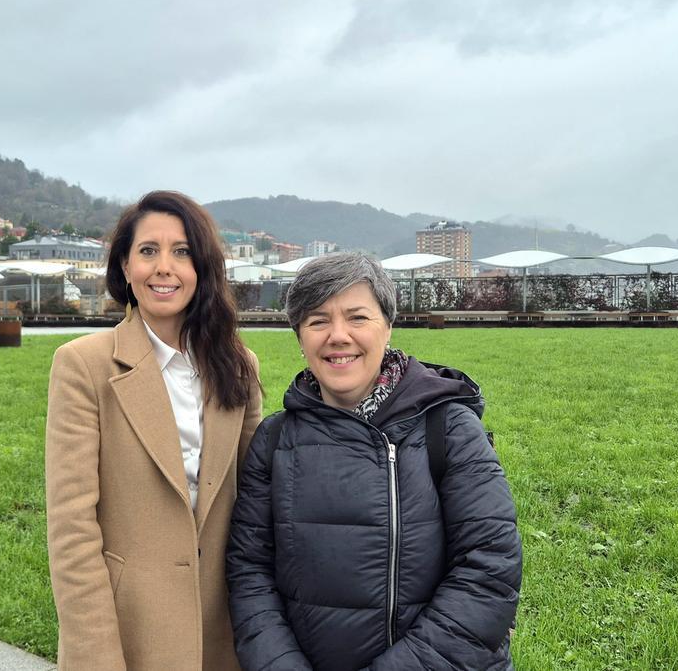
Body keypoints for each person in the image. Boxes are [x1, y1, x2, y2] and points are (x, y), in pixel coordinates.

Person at [226, 252, 522, 671]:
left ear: (388, 326)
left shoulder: (448, 427)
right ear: (300, 338)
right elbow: (250, 574)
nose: (338, 336)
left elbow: (489, 570)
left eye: (357, 318)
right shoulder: (274, 440)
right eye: (318, 321)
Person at [45, 190, 263, 670]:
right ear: (125, 266)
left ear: (202, 267)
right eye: (148, 250)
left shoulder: (238, 366)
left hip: (225, 632)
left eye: (182, 251)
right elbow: (71, 532)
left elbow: (255, 504)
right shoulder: (83, 365)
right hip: (130, 632)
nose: (165, 267)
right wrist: (96, 657)